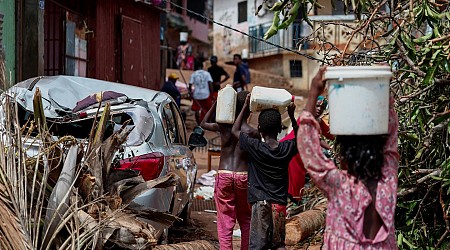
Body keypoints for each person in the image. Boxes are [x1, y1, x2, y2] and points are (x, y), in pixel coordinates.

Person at [297, 67, 399, 249]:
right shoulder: (387, 183)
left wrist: (313, 93)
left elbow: (308, 149)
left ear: (346, 157)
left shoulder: (340, 186)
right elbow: (391, 139)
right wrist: (382, 94)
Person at [232, 95, 298, 249]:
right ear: (280, 128)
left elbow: (235, 129)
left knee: (258, 246)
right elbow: (301, 137)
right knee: (278, 245)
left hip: (260, 203)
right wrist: (293, 117)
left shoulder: (255, 147)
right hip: (279, 204)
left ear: (259, 129)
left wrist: (245, 107)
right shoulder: (286, 148)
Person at [200, 91, 259, 250]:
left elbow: (204, 123)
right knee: (246, 219)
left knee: (225, 221)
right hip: (243, 176)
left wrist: (216, 104)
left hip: (224, 174)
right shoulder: (253, 132)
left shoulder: (223, 126)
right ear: (250, 109)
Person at [281, 96, 334, 203]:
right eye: (317, 105)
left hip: (300, 151)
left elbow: (330, 134)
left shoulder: (318, 120)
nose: (319, 109)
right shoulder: (306, 118)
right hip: (292, 149)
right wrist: (331, 148)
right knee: (295, 179)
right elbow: (312, 138)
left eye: (322, 107)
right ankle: (293, 202)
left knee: (296, 179)